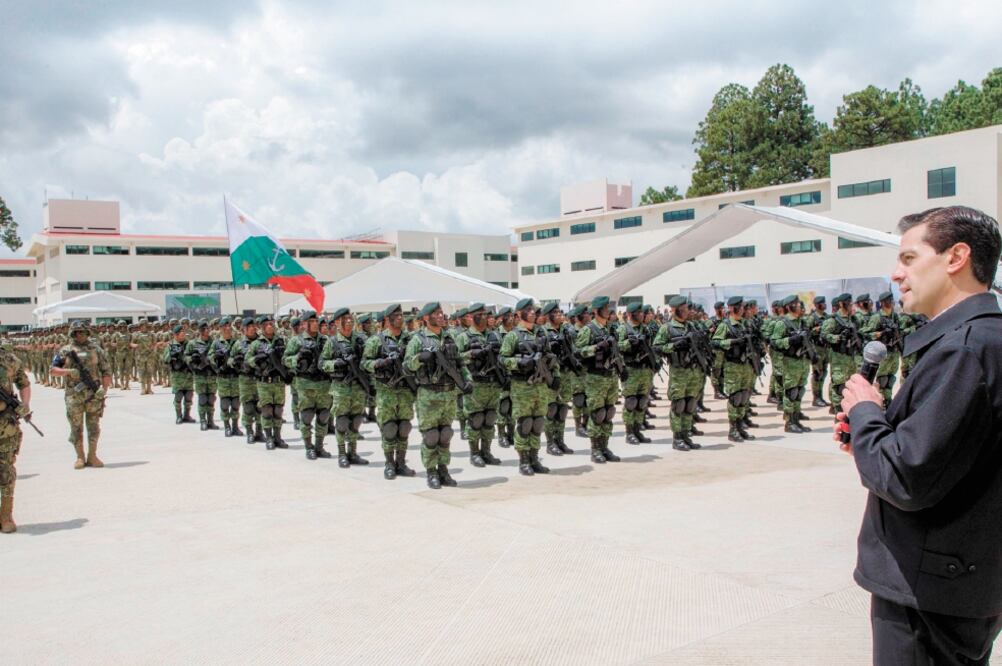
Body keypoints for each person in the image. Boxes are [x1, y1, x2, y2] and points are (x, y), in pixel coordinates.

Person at [837, 206, 1002, 664]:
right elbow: (950, 455)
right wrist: (873, 438)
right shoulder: (982, 341)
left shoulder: (964, 350)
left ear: (956, 258)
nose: (896, 273)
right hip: (960, 580)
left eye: (909, 258)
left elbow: (908, 479)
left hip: (927, 592)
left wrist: (867, 412)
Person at [404, 302, 472, 489]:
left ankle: (443, 469)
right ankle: (431, 471)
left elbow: (459, 363)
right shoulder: (418, 340)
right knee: (431, 436)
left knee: (446, 434)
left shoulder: (449, 338)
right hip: (429, 395)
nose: (441, 316)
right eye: (436, 314)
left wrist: (467, 380)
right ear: (426, 318)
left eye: (442, 313)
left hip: (449, 393)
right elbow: (406, 366)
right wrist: (419, 359)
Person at [499, 298, 558, 475]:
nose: (533, 312)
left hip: (541, 386)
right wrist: (520, 362)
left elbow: (551, 358)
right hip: (522, 386)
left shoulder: (541, 334)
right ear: (519, 314)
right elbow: (502, 359)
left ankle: (534, 458)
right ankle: (524, 461)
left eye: (533, 310)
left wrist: (556, 377)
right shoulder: (513, 336)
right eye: (528, 310)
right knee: (525, 424)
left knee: (538, 423)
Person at [361, 304, 418, 478]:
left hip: (406, 391)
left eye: (401, 315)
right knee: (389, 428)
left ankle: (401, 463)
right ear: (387, 319)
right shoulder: (376, 341)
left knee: (404, 427)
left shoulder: (410, 340)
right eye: (396, 315)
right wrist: (379, 363)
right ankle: (389, 464)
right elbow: (364, 363)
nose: (400, 318)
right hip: (386, 392)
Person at [50, 321, 112, 469]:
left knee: (94, 427)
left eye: (82, 332)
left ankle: (92, 456)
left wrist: (104, 389)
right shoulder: (65, 350)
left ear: (87, 333)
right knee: (76, 427)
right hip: (74, 396)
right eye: (76, 332)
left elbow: (106, 371)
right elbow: (52, 370)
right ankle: (80, 456)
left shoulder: (96, 349)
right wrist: (68, 372)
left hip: (94, 395)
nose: (79, 335)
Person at [455, 303, 505, 467]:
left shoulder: (494, 335)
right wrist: (472, 354)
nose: (484, 317)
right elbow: (456, 360)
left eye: (486, 314)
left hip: (492, 383)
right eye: (480, 314)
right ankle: (474, 453)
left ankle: (486, 451)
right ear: (472, 317)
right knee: (475, 419)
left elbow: (503, 357)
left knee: (490, 419)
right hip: (475, 384)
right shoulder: (464, 337)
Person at [574, 296, 622, 464]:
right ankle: (595, 450)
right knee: (597, 414)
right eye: (605, 308)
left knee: (609, 413)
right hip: (595, 377)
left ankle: (605, 446)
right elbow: (577, 352)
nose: (608, 310)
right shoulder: (588, 330)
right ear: (596, 311)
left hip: (611, 376)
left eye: (608, 307)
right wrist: (596, 348)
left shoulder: (610, 328)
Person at [655, 295, 702, 450]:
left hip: (693, 371)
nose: (688, 311)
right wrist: (674, 347)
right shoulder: (667, 328)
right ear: (676, 310)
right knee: (679, 404)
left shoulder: (692, 326)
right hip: (678, 372)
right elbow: (657, 347)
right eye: (685, 309)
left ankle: (686, 435)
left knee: (690, 404)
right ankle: (677, 438)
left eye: (687, 308)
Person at [284, 311, 333, 460]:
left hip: (324, 384)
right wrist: (297, 358)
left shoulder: (326, 340)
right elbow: (285, 359)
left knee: (323, 416)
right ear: (304, 324)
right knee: (306, 416)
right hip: (306, 385)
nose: (315, 323)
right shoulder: (296, 341)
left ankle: (319, 446)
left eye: (316, 321)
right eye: (311, 321)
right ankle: (308, 447)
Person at [0, 340, 31, 533]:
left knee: (6, 471)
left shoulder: (9, 359)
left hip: (6, 425)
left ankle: (6, 515)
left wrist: (25, 404)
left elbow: (24, 384)